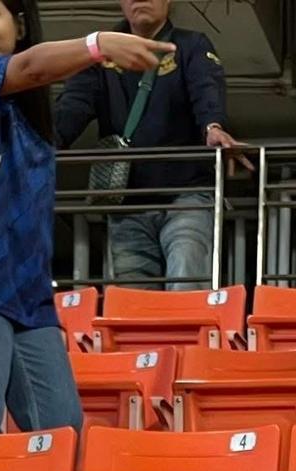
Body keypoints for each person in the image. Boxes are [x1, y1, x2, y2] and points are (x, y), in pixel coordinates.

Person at [0, 1, 167, 434]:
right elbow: (32, 67)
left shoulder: (33, 120)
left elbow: (34, 75)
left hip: (30, 290)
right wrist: (98, 44)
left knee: (63, 431)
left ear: (18, 24)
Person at [55, 0, 244, 289]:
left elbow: (206, 90)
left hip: (187, 194)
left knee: (186, 279)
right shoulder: (101, 54)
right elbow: (72, 108)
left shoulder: (191, 45)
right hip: (127, 201)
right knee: (135, 302)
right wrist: (41, 145)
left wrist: (213, 126)